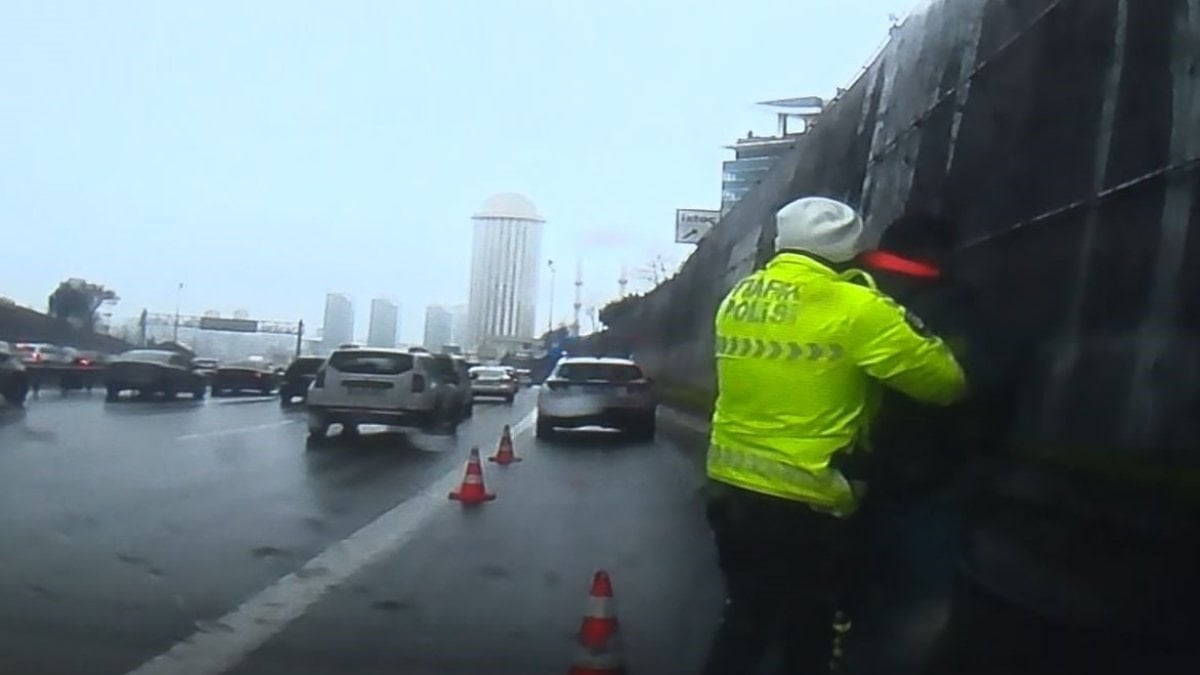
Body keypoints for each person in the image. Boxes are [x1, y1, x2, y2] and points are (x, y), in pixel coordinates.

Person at [702, 196, 968, 675]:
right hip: (808, 501)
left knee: (745, 619)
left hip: (730, 490)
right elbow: (944, 383)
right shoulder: (857, 307)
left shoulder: (739, 297)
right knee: (812, 632)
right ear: (850, 248)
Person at [843, 214, 1012, 675]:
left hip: (839, 478)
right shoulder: (957, 308)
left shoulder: (845, 291)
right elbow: (984, 386)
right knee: (918, 604)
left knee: (835, 596)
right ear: (939, 253)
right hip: (927, 480)